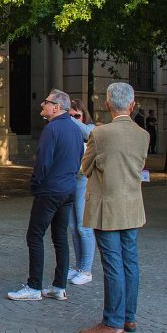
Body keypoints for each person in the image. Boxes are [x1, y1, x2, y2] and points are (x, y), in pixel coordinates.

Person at [78, 82, 148, 333]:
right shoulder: (143, 135)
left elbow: (85, 166)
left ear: (107, 104)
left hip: (107, 206)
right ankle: (129, 317)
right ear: (132, 104)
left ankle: (113, 321)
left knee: (112, 264)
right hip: (132, 205)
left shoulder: (101, 133)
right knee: (130, 261)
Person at [7, 89, 83, 302]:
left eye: (46, 103)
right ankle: (59, 286)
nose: (42, 105)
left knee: (35, 235)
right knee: (60, 238)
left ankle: (34, 286)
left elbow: (43, 161)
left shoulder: (52, 129)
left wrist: (36, 184)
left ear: (57, 107)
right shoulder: (75, 128)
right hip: (68, 189)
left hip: (50, 190)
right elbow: (79, 158)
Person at [66, 99, 97, 286]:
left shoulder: (91, 129)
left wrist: (68, 120)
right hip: (71, 179)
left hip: (84, 180)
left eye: (77, 116)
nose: (73, 120)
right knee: (73, 225)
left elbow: (89, 133)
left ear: (83, 116)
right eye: (69, 116)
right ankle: (78, 266)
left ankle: (86, 269)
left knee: (83, 225)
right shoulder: (69, 131)